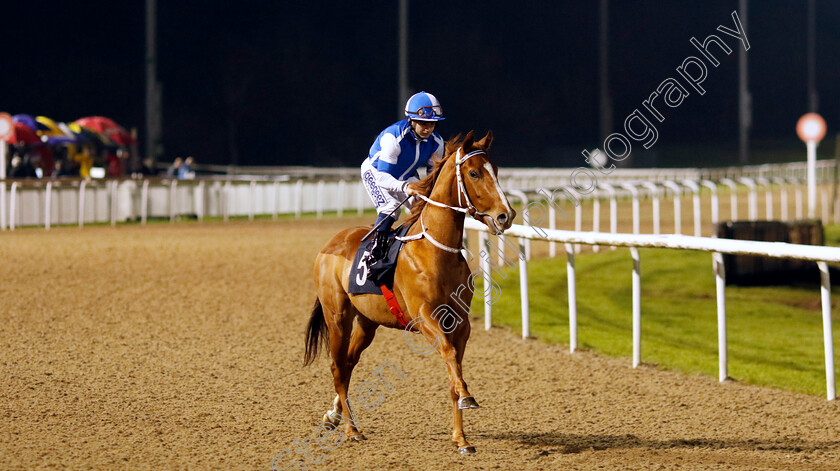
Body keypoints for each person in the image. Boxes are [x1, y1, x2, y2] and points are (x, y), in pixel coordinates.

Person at [360, 91, 446, 267]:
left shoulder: (437, 142)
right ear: (411, 120)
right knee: (391, 208)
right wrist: (406, 187)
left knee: (423, 208)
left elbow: (433, 176)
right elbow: (383, 177)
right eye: (423, 123)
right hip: (376, 172)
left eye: (432, 123)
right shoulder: (394, 138)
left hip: (405, 176)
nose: (428, 128)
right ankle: (374, 253)